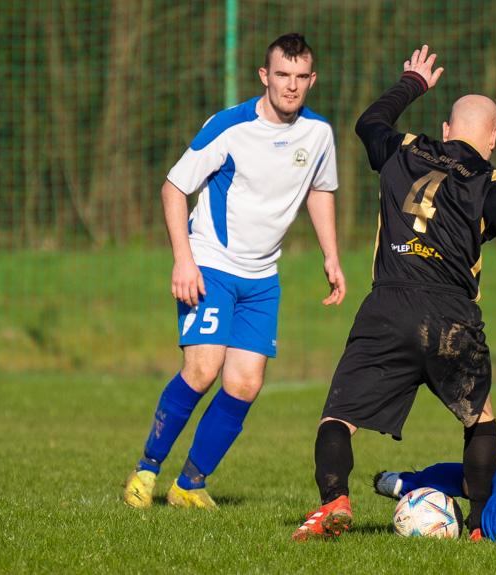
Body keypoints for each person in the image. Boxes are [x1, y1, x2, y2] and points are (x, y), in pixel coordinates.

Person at [290, 46, 496, 541]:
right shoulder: (494, 178)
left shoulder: (405, 148)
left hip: (387, 305)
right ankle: (479, 527)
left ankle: (333, 501)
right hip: (451, 315)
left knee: (338, 416)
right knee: (480, 420)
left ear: (446, 130)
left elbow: (368, 123)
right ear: (493, 138)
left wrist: (412, 82)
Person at [121, 33, 345, 509]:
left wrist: (331, 255)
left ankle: (189, 486)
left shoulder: (319, 133)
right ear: (265, 76)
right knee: (202, 369)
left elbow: (320, 190)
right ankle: (146, 470)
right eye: (281, 75)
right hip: (211, 265)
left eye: (300, 77)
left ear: (312, 80)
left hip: (263, 278)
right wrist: (184, 259)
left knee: (244, 383)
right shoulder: (229, 127)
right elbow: (173, 188)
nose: (291, 86)